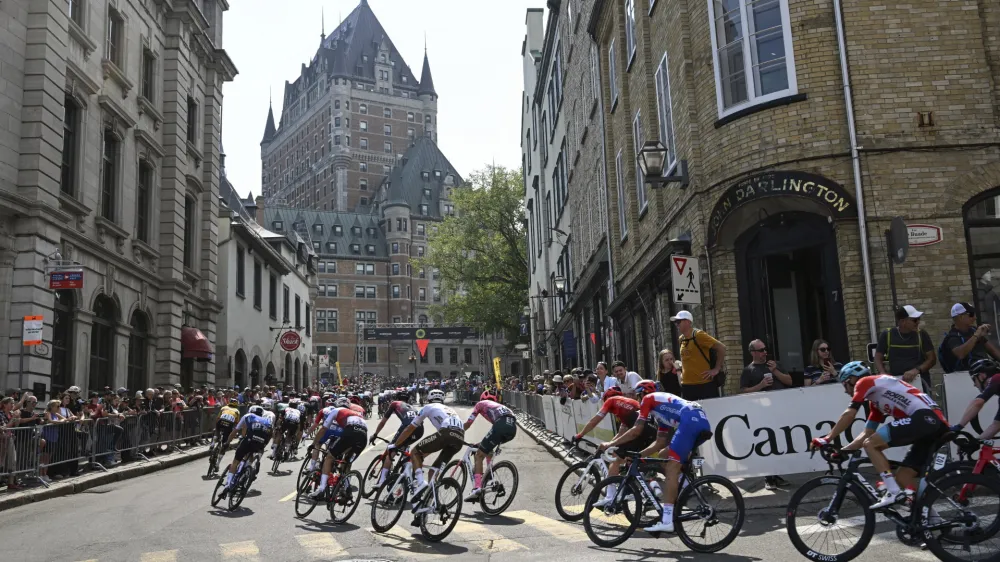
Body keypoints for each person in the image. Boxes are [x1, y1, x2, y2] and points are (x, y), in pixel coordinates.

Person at [810, 361, 947, 509]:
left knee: (870, 444)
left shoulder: (864, 382)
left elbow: (850, 414)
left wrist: (827, 438)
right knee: (902, 477)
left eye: (845, 384)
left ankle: (893, 493)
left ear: (852, 379)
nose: (845, 390)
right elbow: (867, 432)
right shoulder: (875, 400)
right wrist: (843, 450)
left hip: (924, 418)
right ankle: (932, 520)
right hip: (935, 425)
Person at [599, 380, 712, 533]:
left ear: (642, 394)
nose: (638, 401)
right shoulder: (661, 412)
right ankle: (685, 486)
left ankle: (667, 520)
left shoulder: (648, 399)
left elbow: (636, 431)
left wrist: (611, 444)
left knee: (671, 468)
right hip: (700, 419)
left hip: (690, 420)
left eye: (638, 396)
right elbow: (660, 442)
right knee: (663, 454)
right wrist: (639, 455)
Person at [574, 386, 656, 506]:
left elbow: (595, 420)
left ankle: (610, 497)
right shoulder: (626, 405)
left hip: (640, 430)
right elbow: (621, 433)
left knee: (616, 458)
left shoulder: (611, 401)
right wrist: (609, 444)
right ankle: (644, 489)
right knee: (629, 461)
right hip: (650, 431)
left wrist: (580, 435)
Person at [391, 389, 464, 507]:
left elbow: (410, 428)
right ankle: (430, 504)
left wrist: (396, 445)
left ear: (428, 399)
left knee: (415, 452)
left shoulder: (428, 407)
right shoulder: (450, 409)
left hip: (446, 433)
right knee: (433, 471)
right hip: (459, 437)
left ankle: (420, 482)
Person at [307, 397, 367, 499]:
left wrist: (314, 443)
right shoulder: (356, 414)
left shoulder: (336, 410)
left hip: (351, 433)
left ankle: (321, 489)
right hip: (363, 437)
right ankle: (347, 489)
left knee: (329, 458)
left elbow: (323, 429)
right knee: (346, 462)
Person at [463, 391, 517, 502]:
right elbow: (493, 433)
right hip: (512, 428)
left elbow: (468, 423)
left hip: (501, 425)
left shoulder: (480, 404)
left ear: (481, 398)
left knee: (478, 455)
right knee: (488, 450)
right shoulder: (500, 407)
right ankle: (490, 479)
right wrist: (482, 444)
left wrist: (457, 432)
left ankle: (477, 488)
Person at [369, 391, 424, 486]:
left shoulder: (395, 404)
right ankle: (407, 468)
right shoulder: (412, 407)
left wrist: (375, 434)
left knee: (391, 451)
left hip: (408, 427)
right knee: (404, 445)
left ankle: (381, 482)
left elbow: (382, 422)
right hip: (420, 430)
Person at [875, 305, 936, 391]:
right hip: (897, 384)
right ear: (903, 321)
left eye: (919, 319)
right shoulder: (887, 334)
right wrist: (883, 373)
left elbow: (932, 359)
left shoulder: (922, 334)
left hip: (920, 383)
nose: (918, 322)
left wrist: (916, 370)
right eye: (914, 320)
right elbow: (878, 357)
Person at [673, 310, 727, 400]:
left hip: (704, 385)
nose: (677, 325)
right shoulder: (681, 339)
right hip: (687, 386)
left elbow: (722, 348)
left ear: (688, 322)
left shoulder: (698, 335)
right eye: (675, 323)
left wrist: (716, 369)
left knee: (711, 412)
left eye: (678, 322)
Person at [220, 405, 272, 496]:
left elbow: (235, 431)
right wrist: (263, 446)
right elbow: (270, 435)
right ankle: (246, 471)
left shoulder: (248, 416)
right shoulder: (267, 421)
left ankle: (227, 485)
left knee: (235, 462)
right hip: (260, 443)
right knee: (250, 454)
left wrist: (227, 443)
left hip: (249, 440)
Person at [940, 302, 1000, 372]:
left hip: (985, 370)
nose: (975, 317)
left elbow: (992, 351)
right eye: (971, 314)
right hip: (966, 376)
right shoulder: (952, 337)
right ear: (961, 317)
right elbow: (960, 354)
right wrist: (976, 336)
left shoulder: (974, 330)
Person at [949, 359, 1000, 438]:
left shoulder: (996, 378)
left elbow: (978, 402)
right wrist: (976, 442)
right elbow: (996, 426)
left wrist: (959, 426)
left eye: (974, 379)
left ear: (981, 375)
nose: (974, 385)